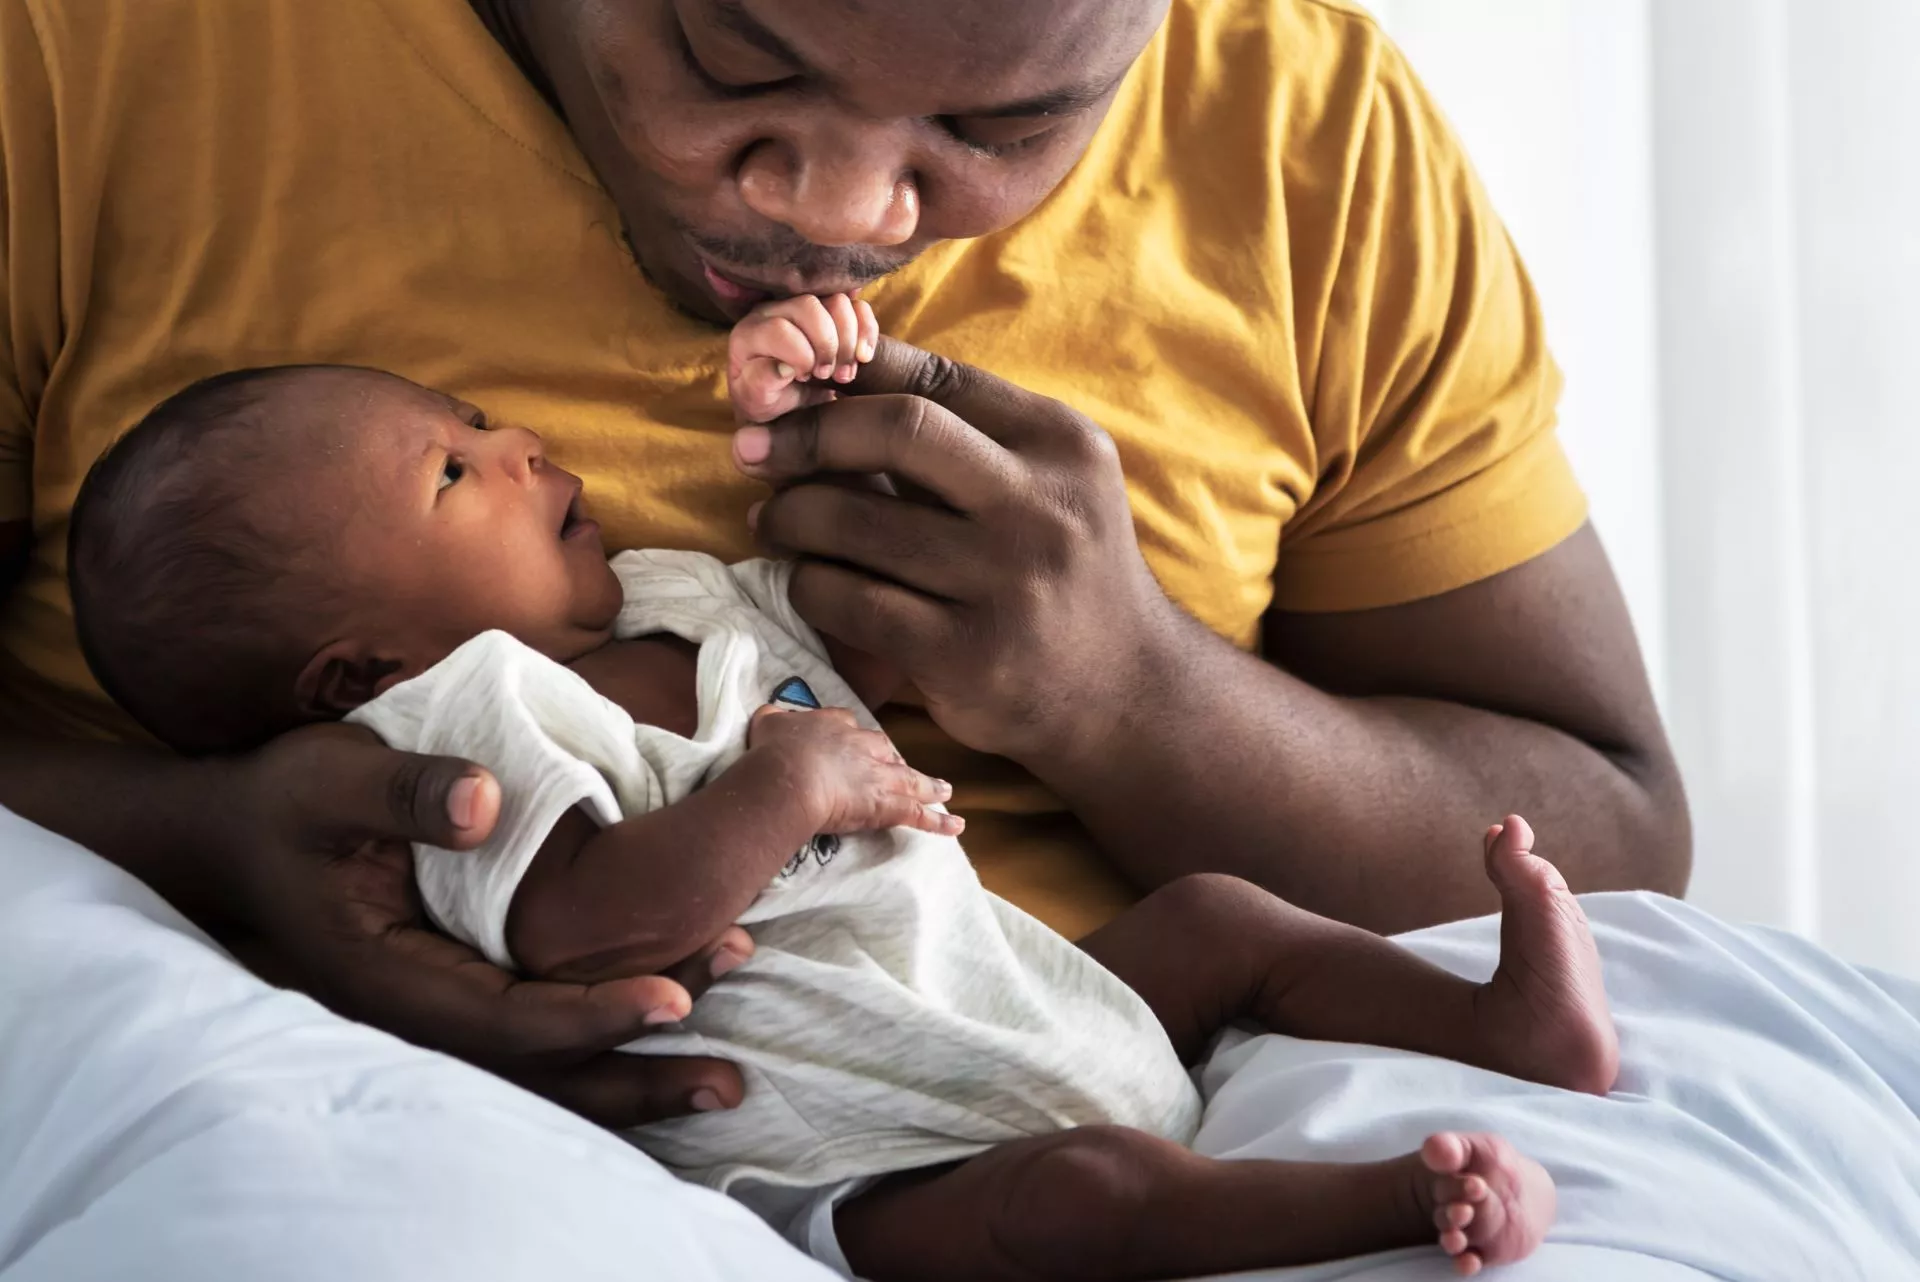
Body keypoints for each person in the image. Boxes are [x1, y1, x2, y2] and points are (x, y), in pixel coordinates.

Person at [0, 0, 1688, 1130]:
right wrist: (208, 841)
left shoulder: (1307, 124)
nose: (851, 204)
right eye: (734, 60)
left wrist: (1133, 692)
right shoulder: (101, 55)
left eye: (1007, 121)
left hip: (1105, 1051)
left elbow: (1611, 832)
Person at [64, 344, 1621, 1279]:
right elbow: (596, 926)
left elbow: (851, 644)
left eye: (479, 417)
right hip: (850, 1149)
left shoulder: (668, 595)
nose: (520, 442)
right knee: (1079, 1199)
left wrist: (832, 412)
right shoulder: (457, 727)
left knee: (1222, 921)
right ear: (362, 667)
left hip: (1007, 992)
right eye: (454, 471)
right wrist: (788, 779)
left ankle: (1506, 1024)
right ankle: (1401, 1196)